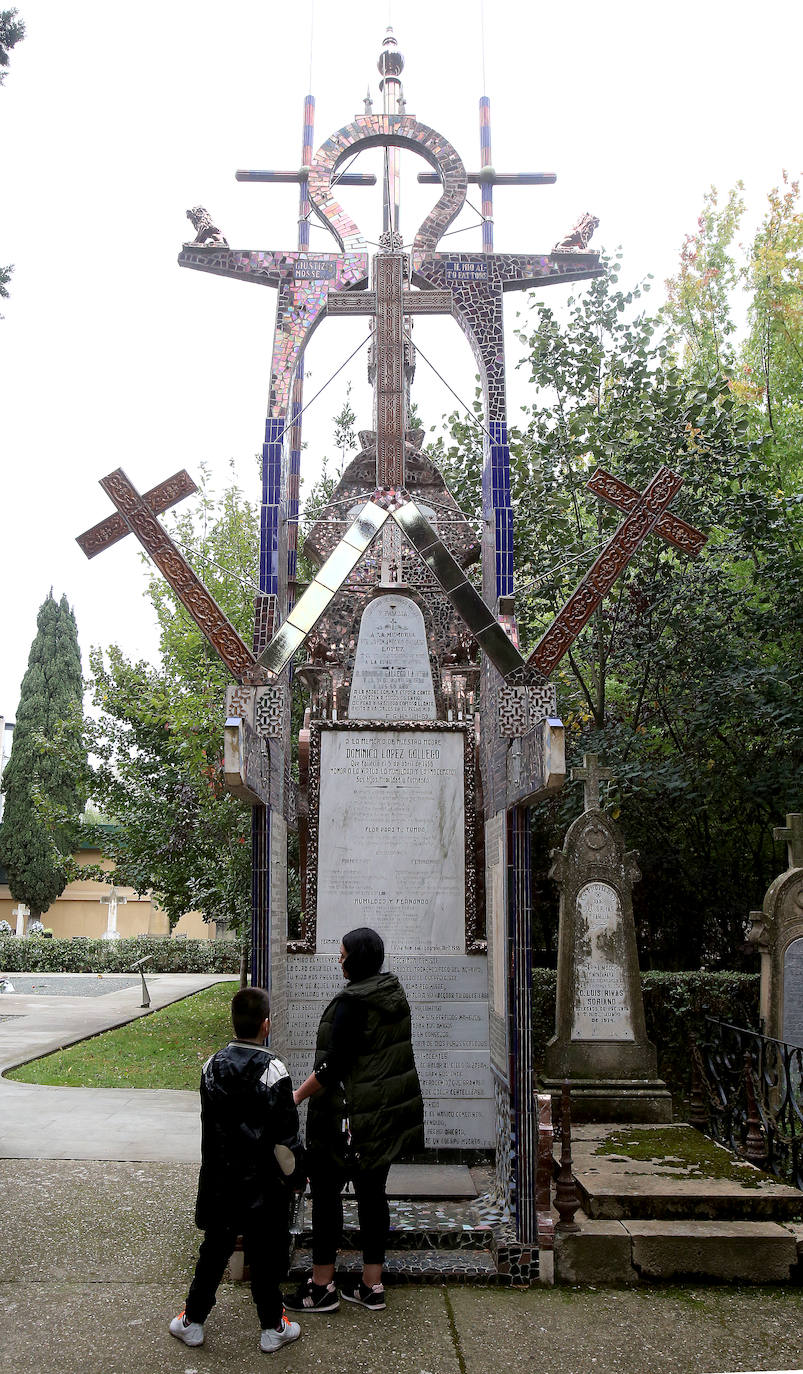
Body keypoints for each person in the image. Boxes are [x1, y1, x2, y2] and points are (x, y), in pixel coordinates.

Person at [286, 926, 423, 1314]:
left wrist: (296, 1095)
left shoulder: (352, 1003)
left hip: (349, 1120)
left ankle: (321, 1286)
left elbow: (333, 1066)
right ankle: (371, 1285)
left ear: (357, 959)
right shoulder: (391, 994)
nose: (339, 960)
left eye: (343, 954)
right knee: (372, 1195)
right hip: (380, 1117)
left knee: (327, 1196)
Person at [169, 986, 304, 1355]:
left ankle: (192, 1322)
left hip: (220, 1180)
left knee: (214, 1250)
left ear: (233, 1023)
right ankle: (272, 1327)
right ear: (266, 1025)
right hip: (262, 1184)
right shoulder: (274, 1070)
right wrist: (296, 1177)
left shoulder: (210, 1066)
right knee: (265, 1257)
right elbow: (284, 1139)